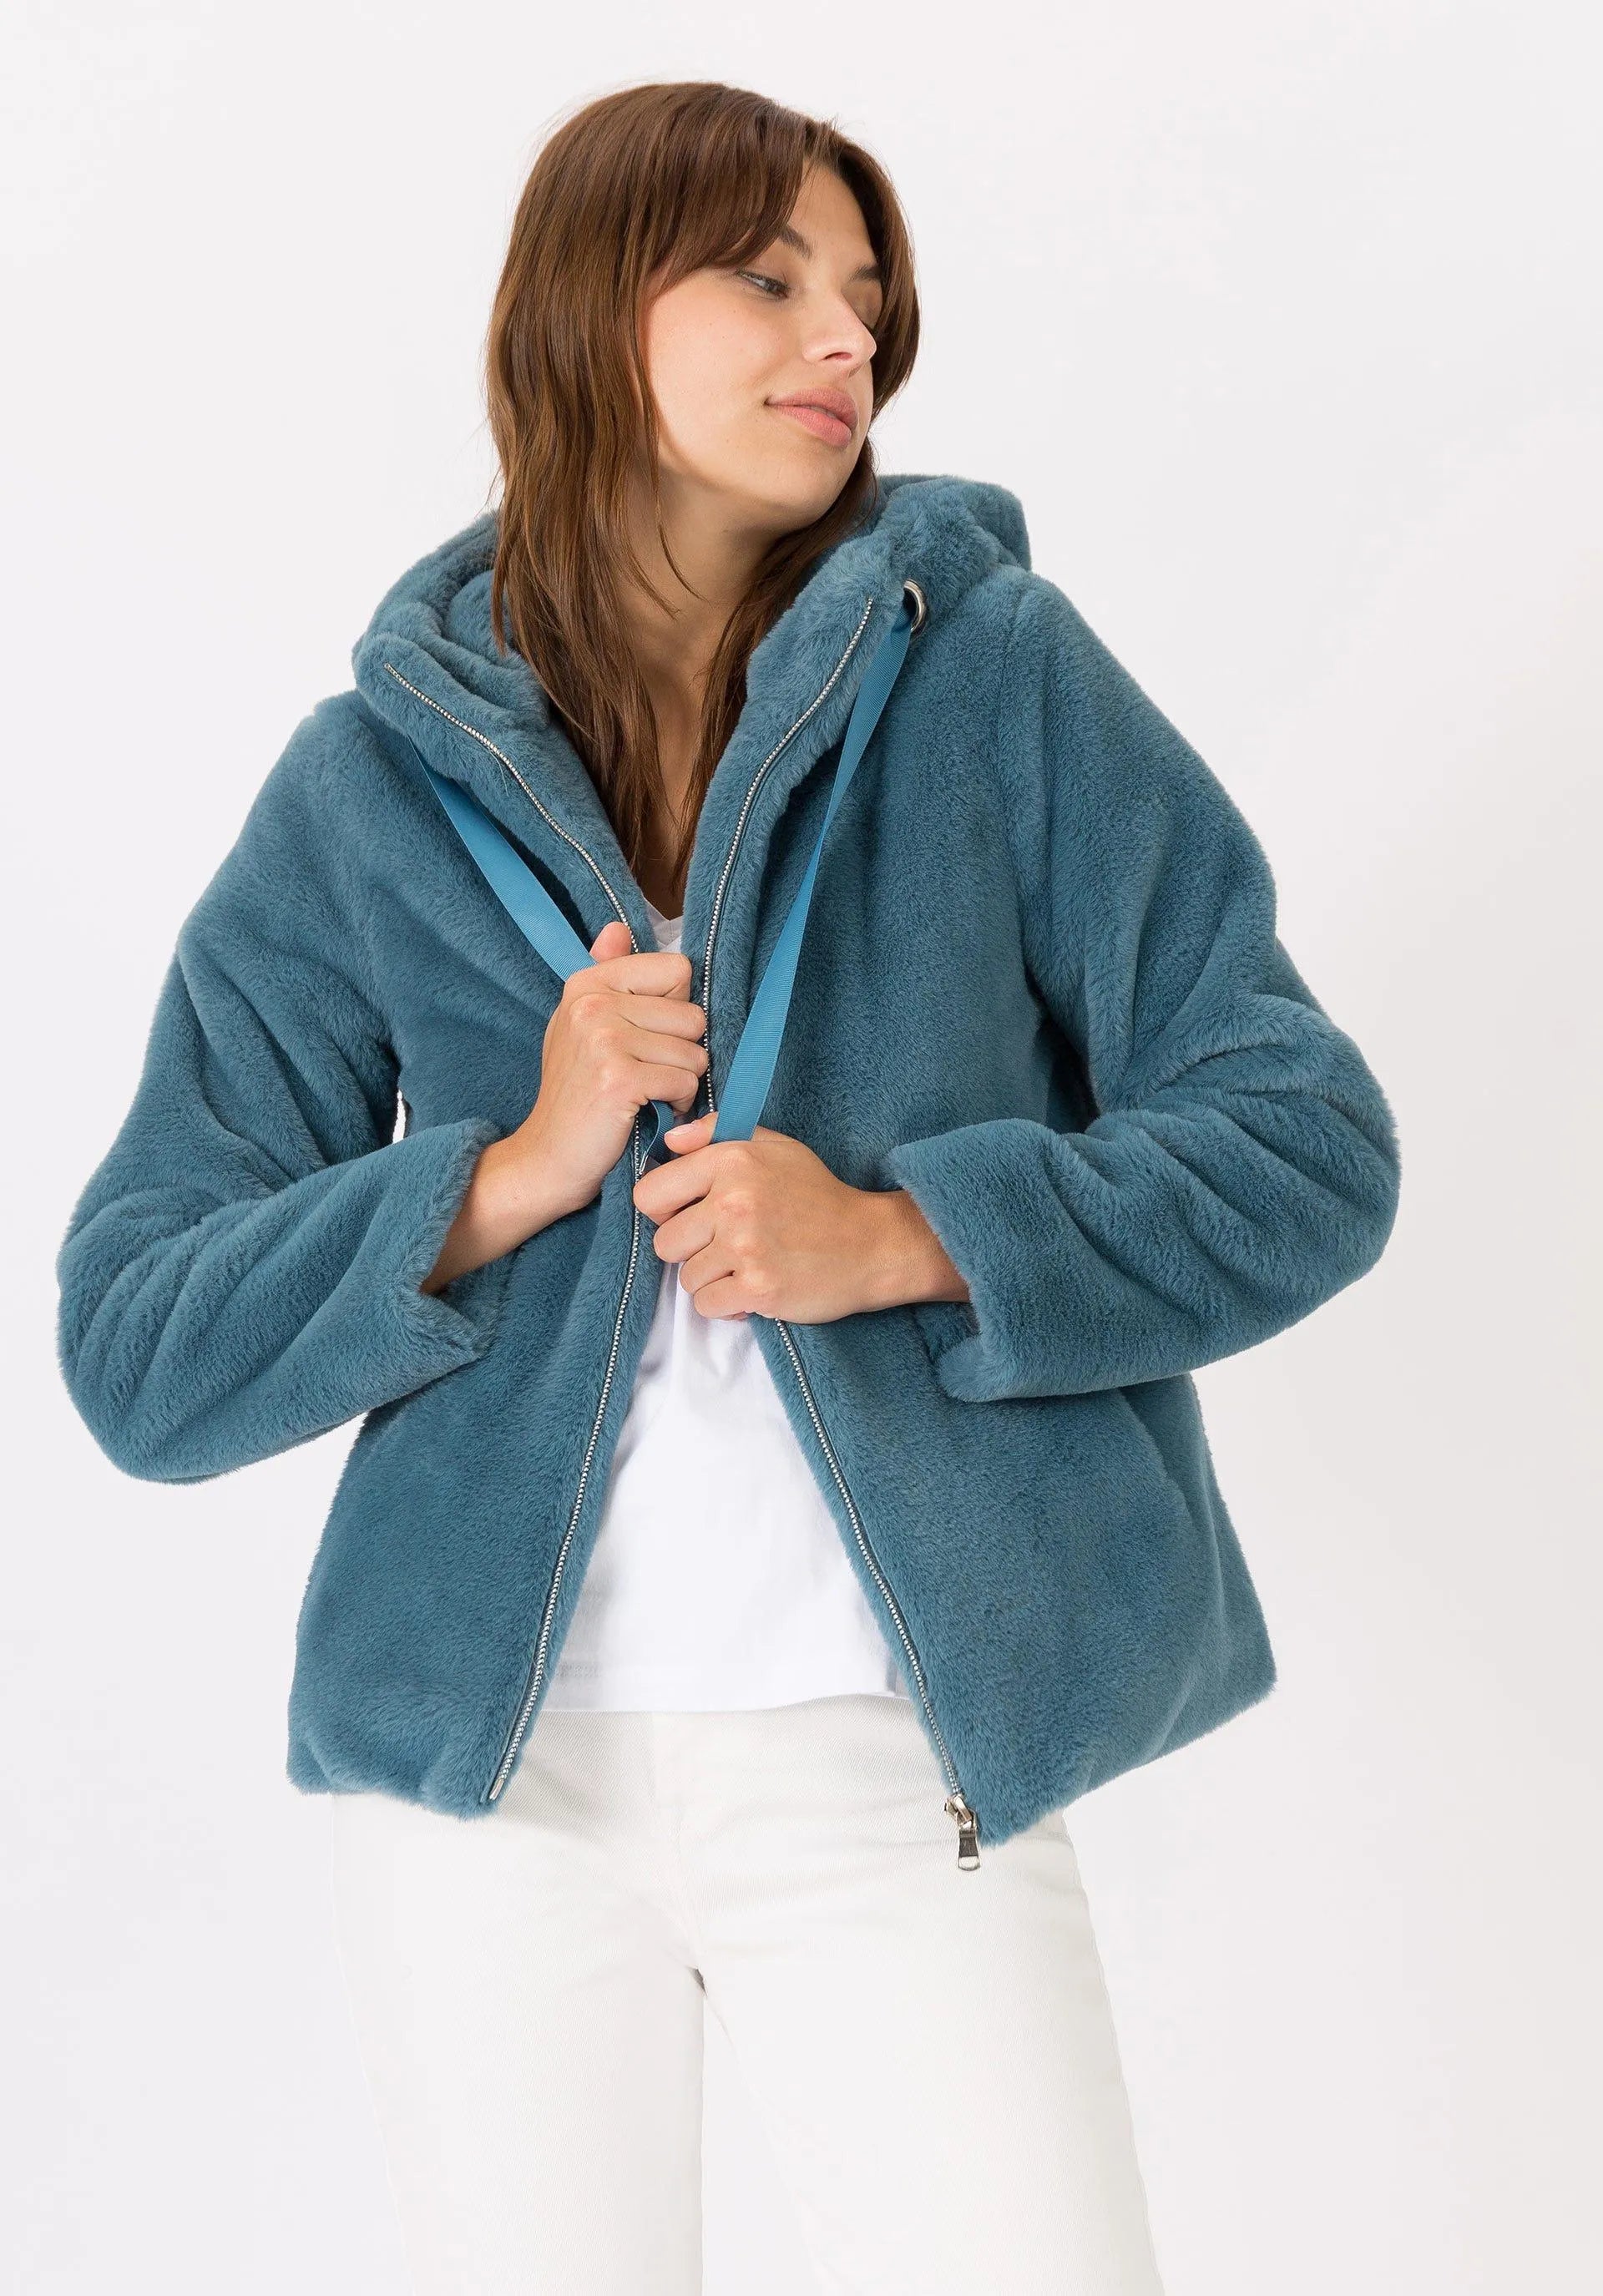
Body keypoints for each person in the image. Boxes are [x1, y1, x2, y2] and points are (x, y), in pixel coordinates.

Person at [54, 79, 1401, 2296]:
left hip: (890, 1749)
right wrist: (508, 1174)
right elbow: (138, 1343)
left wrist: (908, 1236)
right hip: (491, 1794)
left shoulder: (992, 682)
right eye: (767, 279)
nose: (843, 337)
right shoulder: (370, 785)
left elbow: (1301, 1140)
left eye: (864, 294)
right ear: (596, 313)